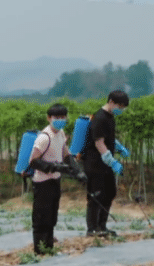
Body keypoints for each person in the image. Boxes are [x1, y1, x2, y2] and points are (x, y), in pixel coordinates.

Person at [28, 104, 86, 255]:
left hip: (55, 181)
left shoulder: (60, 133)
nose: (60, 120)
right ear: (49, 118)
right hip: (42, 183)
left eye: (62, 117)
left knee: (52, 216)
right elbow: (33, 161)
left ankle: (49, 248)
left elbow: (66, 154)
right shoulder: (44, 137)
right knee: (42, 218)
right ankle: (40, 251)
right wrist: (55, 167)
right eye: (56, 118)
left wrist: (77, 171)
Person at [83, 90, 129, 237]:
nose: (121, 109)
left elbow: (107, 138)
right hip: (95, 163)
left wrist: (118, 147)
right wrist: (111, 160)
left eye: (123, 107)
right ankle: (92, 228)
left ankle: (102, 226)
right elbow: (99, 142)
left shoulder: (110, 117)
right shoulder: (100, 118)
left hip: (105, 164)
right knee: (96, 195)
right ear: (111, 102)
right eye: (119, 106)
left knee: (110, 192)